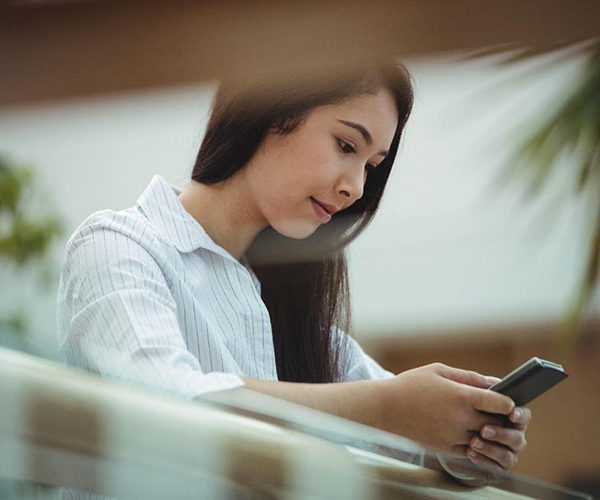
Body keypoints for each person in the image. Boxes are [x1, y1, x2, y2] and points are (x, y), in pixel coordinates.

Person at [57, 63, 530, 489]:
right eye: (346, 145)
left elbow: (405, 426)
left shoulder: (304, 318)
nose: (356, 187)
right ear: (271, 109)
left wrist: (469, 439)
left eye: (371, 165)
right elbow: (166, 406)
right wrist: (388, 408)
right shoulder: (119, 247)